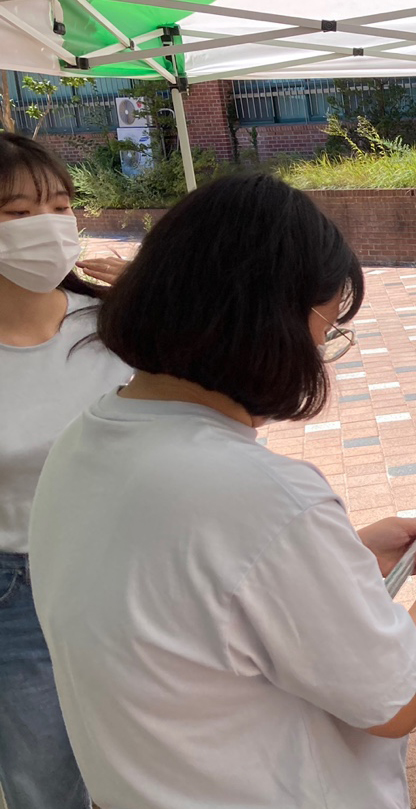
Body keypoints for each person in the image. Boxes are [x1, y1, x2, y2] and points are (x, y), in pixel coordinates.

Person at [27, 173, 416, 809]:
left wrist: (345, 556)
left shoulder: (84, 441)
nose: (319, 355)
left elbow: (184, 603)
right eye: (325, 333)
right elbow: (396, 698)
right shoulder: (259, 494)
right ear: (269, 326)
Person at [0, 132, 134, 809]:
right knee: (48, 780)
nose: (48, 226)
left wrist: (149, 291)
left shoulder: (114, 327)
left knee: (143, 762)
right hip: (15, 590)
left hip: (125, 571)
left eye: (59, 206)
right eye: (18, 213)